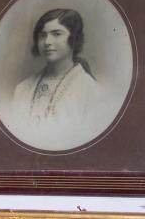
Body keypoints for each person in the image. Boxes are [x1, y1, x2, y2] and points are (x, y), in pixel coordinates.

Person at [11, 9, 102, 141]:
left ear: (74, 39)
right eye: (42, 35)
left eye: (56, 34)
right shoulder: (22, 89)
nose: (47, 41)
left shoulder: (91, 91)